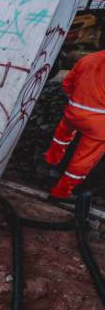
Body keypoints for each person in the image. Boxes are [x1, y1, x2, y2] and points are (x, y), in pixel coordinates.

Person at [44, 50, 105, 200]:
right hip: (99, 123)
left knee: (60, 141)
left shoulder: (88, 58)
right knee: (83, 159)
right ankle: (61, 193)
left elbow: (67, 85)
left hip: (73, 113)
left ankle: (51, 169)